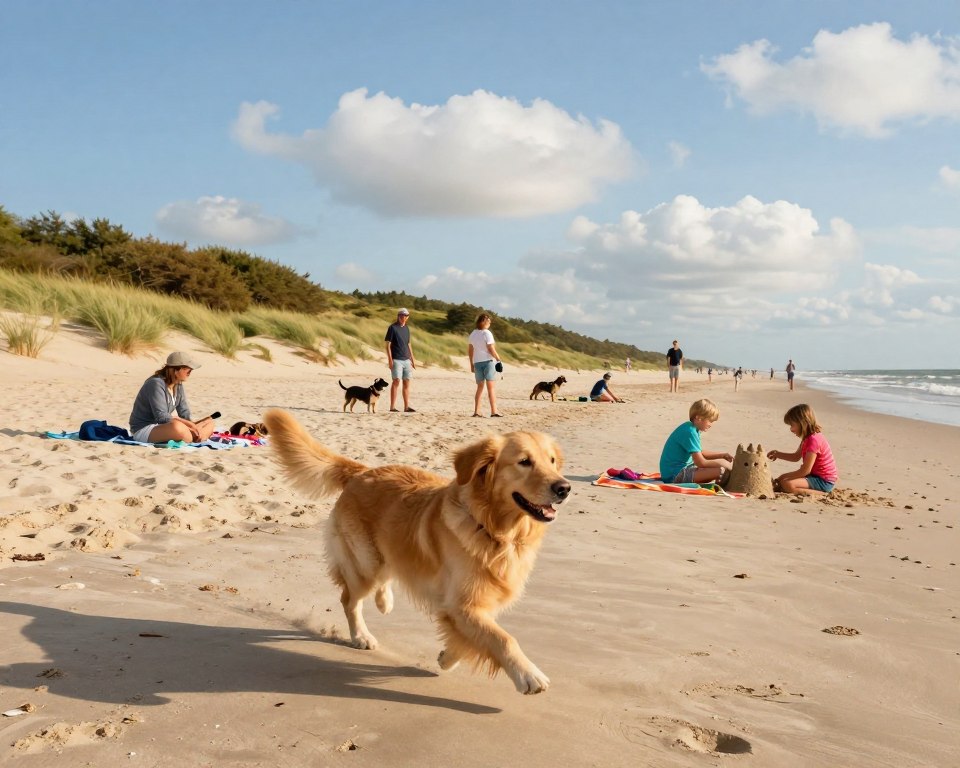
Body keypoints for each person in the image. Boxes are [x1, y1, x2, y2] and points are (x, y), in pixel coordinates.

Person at [129, 351, 215, 443]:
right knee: (178, 427)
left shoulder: (178, 385)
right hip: (145, 429)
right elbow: (161, 417)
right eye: (188, 369)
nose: (190, 372)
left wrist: (193, 424)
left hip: (164, 426)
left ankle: (195, 437)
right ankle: (194, 437)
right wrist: (188, 425)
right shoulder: (155, 383)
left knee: (209, 423)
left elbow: (184, 413)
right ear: (175, 370)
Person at [659, 398, 733, 485]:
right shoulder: (689, 431)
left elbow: (698, 452)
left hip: (676, 471)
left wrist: (721, 455)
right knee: (720, 471)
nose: (711, 425)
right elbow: (701, 462)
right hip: (674, 475)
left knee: (716, 471)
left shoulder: (692, 428)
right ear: (699, 418)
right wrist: (723, 463)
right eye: (710, 421)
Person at [767, 403, 838, 494]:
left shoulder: (814, 440)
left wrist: (782, 477)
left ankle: (822, 494)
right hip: (814, 476)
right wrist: (778, 454)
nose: (791, 429)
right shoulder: (806, 438)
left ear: (802, 423)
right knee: (784, 481)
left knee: (787, 483)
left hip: (824, 480)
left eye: (792, 425)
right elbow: (795, 457)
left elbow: (805, 470)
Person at [467, 312, 503, 417]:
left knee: (480, 388)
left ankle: (477, 411)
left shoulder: (473, 334)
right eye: (489, 322)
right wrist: (498, 359)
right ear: (483, 321)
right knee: (491, 388)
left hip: (477, 363)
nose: (490, 324)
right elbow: (491, 348)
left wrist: (471, 364)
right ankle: (494, 411)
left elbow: (470, 350)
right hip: (488, 362)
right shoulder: (487, 333)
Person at [385, 308, 417, 412]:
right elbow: (388, 345)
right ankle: (392, 407)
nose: (403, 317)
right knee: (396, 381)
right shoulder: (392, 328)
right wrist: (390, 360)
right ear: (398, 316)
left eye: (406, 316)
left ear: (407, 317)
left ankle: (406, 407)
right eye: (402, 315)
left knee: (407, 382)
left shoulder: (407, 328)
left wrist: (412, 359)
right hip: (396, 359)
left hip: (406, 359)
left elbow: (409, 344)